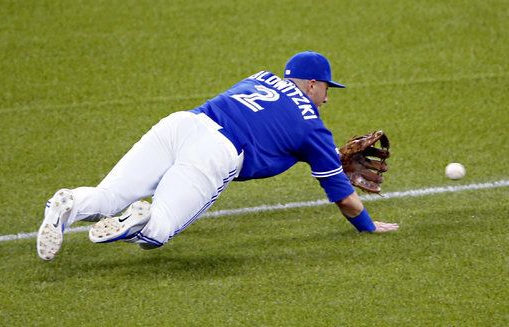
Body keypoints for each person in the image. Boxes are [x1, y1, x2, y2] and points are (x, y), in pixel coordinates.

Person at [37, 51, 399, 261]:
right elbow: (345, 199)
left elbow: (273, 128)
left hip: (181, 125)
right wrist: (367, 225)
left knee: (107, 197)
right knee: (159, 230)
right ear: (311, 84)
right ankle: (137, 223)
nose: (327, 98)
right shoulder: (314, 129)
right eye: (325, 89)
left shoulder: (259, 78)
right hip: (215, 153)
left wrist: (326, 155)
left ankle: (64, 205)